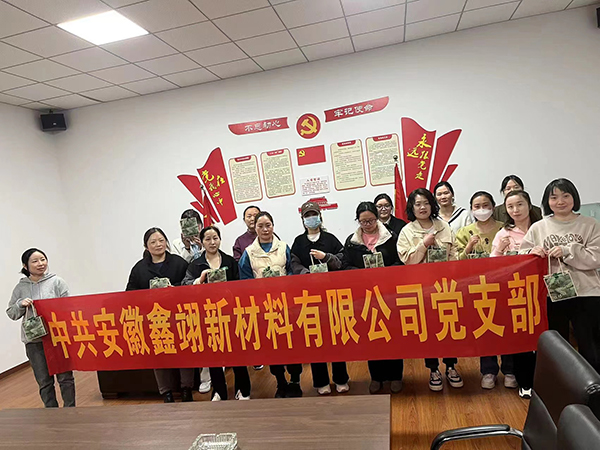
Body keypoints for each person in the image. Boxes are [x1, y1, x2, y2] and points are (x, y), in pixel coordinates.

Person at [520, 178, 600, 374]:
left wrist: (567, 251)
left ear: (574, 198)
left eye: (566, 196)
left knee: (590, 343)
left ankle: (594, 384)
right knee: (559, 344)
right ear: (547, 201)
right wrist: (532, 253)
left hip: (587, 292)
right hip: (553, 293)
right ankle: (563, 383)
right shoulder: (539, 227)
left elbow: (595, 258)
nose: (560, 201)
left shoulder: (590, 224)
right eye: (554, 197)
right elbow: (522, 256)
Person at [397, 188, 463, 392]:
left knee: (448, 328)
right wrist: (423, 245)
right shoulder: (407, 231)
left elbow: (454, 254)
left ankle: (451, 366)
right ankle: (433, 369)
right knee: (430, 331)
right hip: (422, 290)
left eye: (426, 203)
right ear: (412, 207)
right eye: (417, 204)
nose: (422, 207)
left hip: (445, 288)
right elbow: (408, 260)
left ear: (432, 205)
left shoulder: (444, 227)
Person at [183, 226, 251, 401]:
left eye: (215, 238)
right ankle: (219, 391)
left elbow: (240, 286)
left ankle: (243, 389)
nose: (212, 242)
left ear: (220, 240)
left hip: (230, 313)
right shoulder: (196, 264)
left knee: (237, 352)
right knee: (214, 353)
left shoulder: (229, 261)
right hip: (208, 314)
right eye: (208, 239)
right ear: (202, 242)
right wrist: (199, 280)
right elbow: (186, 286)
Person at [342, 201, 403, 395]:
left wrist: (385, 272)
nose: (367, 224)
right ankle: (376, 377)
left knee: (392, 336)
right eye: (363, 221)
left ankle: (396, 376)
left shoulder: (391, 237)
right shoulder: (351, 242)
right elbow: (345, 266)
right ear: (358, 221)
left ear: (377, 218)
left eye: (371, 220)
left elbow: (400, 262)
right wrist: (362, 274)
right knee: (372, 336)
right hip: (365, 297)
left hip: (388, 294)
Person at [126, 227, 193, 403]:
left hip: (178, 316)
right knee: (160, 355)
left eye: (161, 240)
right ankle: (166, 392)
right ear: (146, 246)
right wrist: (147, 296)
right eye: (153, 242)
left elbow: (189, 287)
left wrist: (174, 290)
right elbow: (129, 294)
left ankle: (186, 389)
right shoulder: (139, 268)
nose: (158, 244)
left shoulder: (179, 263)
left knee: (184, 352)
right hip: (153, 319)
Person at [238, 211, 301, 398]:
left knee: (292, 344)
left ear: (273, 226)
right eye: (260, 226)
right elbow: (245, 282)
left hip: (286, 305)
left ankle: (295, 380)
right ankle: (280, 382)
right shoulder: (248, 253)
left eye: (268, 225)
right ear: (255, 228)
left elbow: (292, 272)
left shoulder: (284, 247)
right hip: (264, 308)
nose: (265, 229)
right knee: (273, 346)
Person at [456, 192, 515, 389]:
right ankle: (488, 371)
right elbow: (456, 263)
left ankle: (510, 370)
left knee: (507, 328)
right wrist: (468, 248)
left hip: (504, 286)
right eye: (477, 206)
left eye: (485, 205)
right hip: (478, 288)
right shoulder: (465, 232)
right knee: (485, 327)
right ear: (471, 209)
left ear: (493, 206)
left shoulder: (505, 229)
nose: (482, 209)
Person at [291, 201, 349, 395]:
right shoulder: (299, 242)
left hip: (331, 296)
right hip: (309, 298)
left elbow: (342, 261)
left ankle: (341, 378)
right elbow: (294, 264)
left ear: (320, 216)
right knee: (315, 339)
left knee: (335, 338)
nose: (311, 218)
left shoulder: (330, 239)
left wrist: (326, 257)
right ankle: (321, 381)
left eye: (314, 214)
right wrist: (307, 274)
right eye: (307, 215)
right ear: (303, 219)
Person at [6, 248, 75, 408]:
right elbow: (11, 313)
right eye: (35, 261)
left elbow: (69, 307)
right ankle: (51, 413)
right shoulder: (20, 288)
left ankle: (70, 411)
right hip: (34, 341)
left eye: (43, 259)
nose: (40, 264)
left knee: (65, 378)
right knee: (44, 381)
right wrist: (20, 304)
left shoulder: (57, 282)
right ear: (25, 266)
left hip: (58, 339)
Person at [491, 190, 540, 399]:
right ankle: (526, 382)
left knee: (547, 339)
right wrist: (499, 250)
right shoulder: (503, 234)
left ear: (529, 204)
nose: (515, 210)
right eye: (510, 207)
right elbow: (492, 265)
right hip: (517, 293)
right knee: (523, 339)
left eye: (519, 204)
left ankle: (547, 382)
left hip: (543, 292)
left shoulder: (542, 227)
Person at [171, 209, 212, 390]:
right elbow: (179, 266)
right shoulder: (175, 244)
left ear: (200, 225)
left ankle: (208, 375)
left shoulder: (208, 238)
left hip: (207, 295)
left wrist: (202, 247)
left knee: (209, 332)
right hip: (186, 294)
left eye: (195, 224)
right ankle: (195, 377)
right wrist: (187, 247)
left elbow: (213, 260)